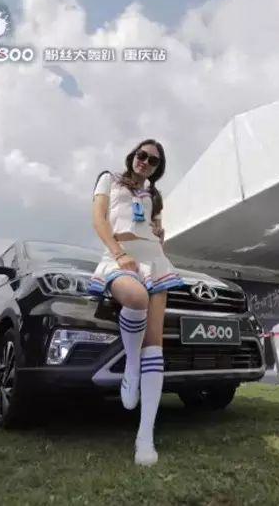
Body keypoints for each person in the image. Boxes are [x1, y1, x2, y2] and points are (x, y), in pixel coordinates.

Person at [89, 138, 186, 466]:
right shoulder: (109, 179)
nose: (145, 161)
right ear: (133, 155)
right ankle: (130, 364)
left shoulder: (154, 195)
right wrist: (119, 254)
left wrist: (159, 236)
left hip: (154, 261)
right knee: (135, 297)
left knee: (155, 346)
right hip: (120, 257)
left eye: (153, 160)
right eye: (142, 155)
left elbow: (155, 228)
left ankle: (145, 437)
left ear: (157, 169)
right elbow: (99, 220)